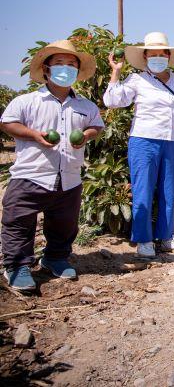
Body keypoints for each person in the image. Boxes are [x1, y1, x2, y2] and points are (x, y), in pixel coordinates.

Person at [0, 40, 104, 291]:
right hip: (31, 175)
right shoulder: (27, 102)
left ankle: (55, 258)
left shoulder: (85, 106)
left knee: (64, 224)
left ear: (78, 72)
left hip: (69, 177)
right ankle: (16, 265)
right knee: (19, 221)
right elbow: (7, 123)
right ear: (46, 69)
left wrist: (87, 135)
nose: (65, 69)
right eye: (59, 64)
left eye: (71, 65)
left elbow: (96, 126)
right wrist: (34, 134)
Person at [103, 32, 174, 258]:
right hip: (143, 141)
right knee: (143, 190)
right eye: (153, 54)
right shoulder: (137, 79)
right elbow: (112, 101)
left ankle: (167, 237)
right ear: (145, 57)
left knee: (168, 192)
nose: (158, 57)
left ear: (169, 56)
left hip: (173, 141)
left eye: (162, 53)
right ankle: (144, 240)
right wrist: (116, 71)